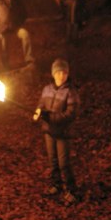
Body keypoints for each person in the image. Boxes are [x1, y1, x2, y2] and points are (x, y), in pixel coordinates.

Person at [33, 58, 80, 205]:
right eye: (58, 72)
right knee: (53, 161)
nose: (61, 75)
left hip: (63, 132)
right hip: (49, 131)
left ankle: (71, 191)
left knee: (63, 163)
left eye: (64, 72)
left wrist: (51, 117)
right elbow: (41, 104)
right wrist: (38, 112)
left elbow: (71, 114)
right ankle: (56, 185)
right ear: (53, 73)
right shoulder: (47, 89)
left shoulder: (71, 92)